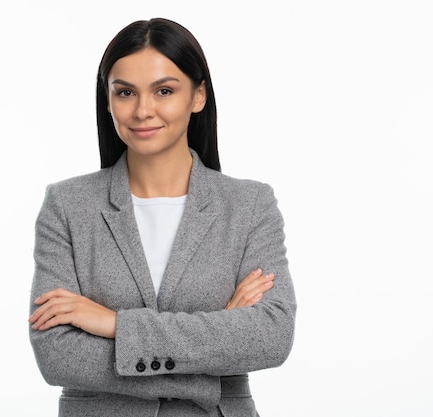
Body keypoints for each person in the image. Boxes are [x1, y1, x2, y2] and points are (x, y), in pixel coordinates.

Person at [28, 17, 296, 417]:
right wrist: (214, 355)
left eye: (164, 91)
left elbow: (270, 336)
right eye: (125, 92)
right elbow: (58, 356)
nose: (142, 110)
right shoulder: (67, 205)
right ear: (107, 99)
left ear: (198, 96)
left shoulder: (249, 204)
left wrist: (115, 325)